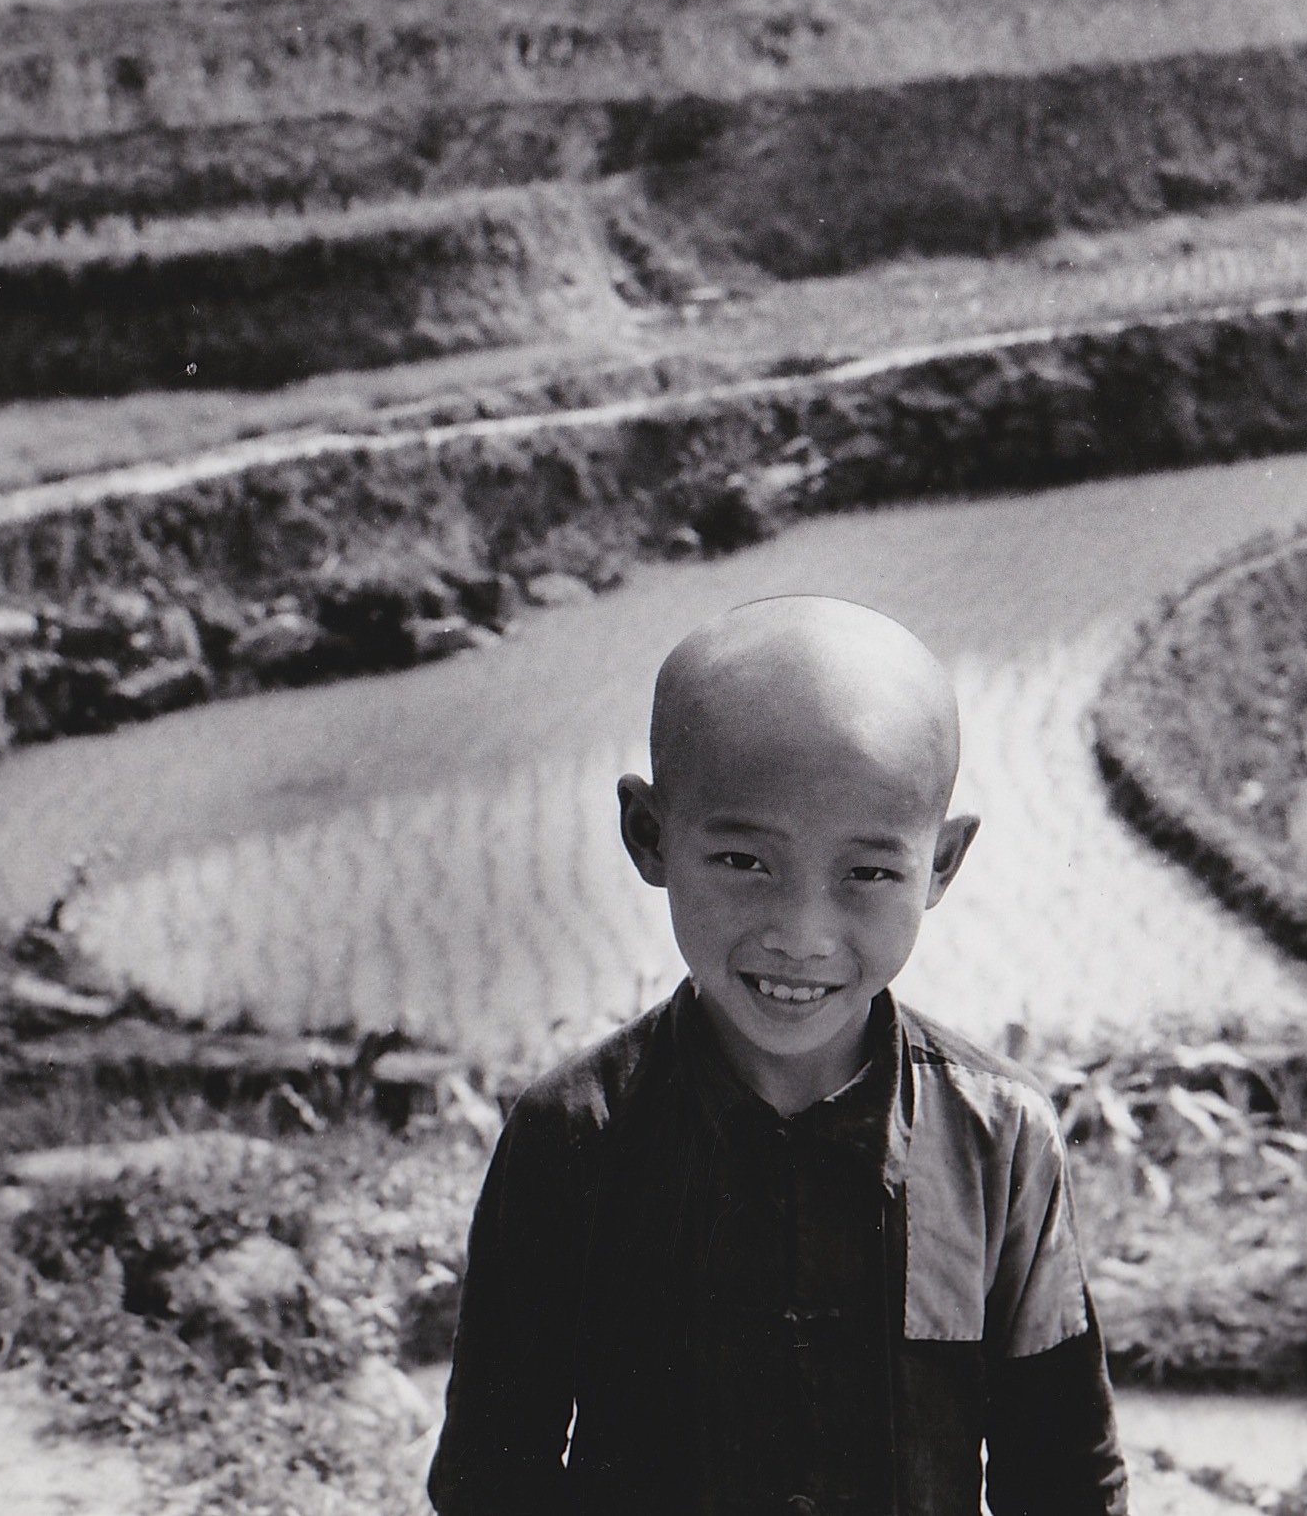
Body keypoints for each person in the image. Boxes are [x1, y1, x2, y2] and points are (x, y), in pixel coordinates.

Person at [427, 594, 1130, 1515]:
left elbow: (1067, 1478)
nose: (802, 934)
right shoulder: (577, 1135)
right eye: (743, 861)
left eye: (870, 871)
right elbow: (493, 1470)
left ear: (944, 863)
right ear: (650, 834)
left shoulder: (997, 1142)